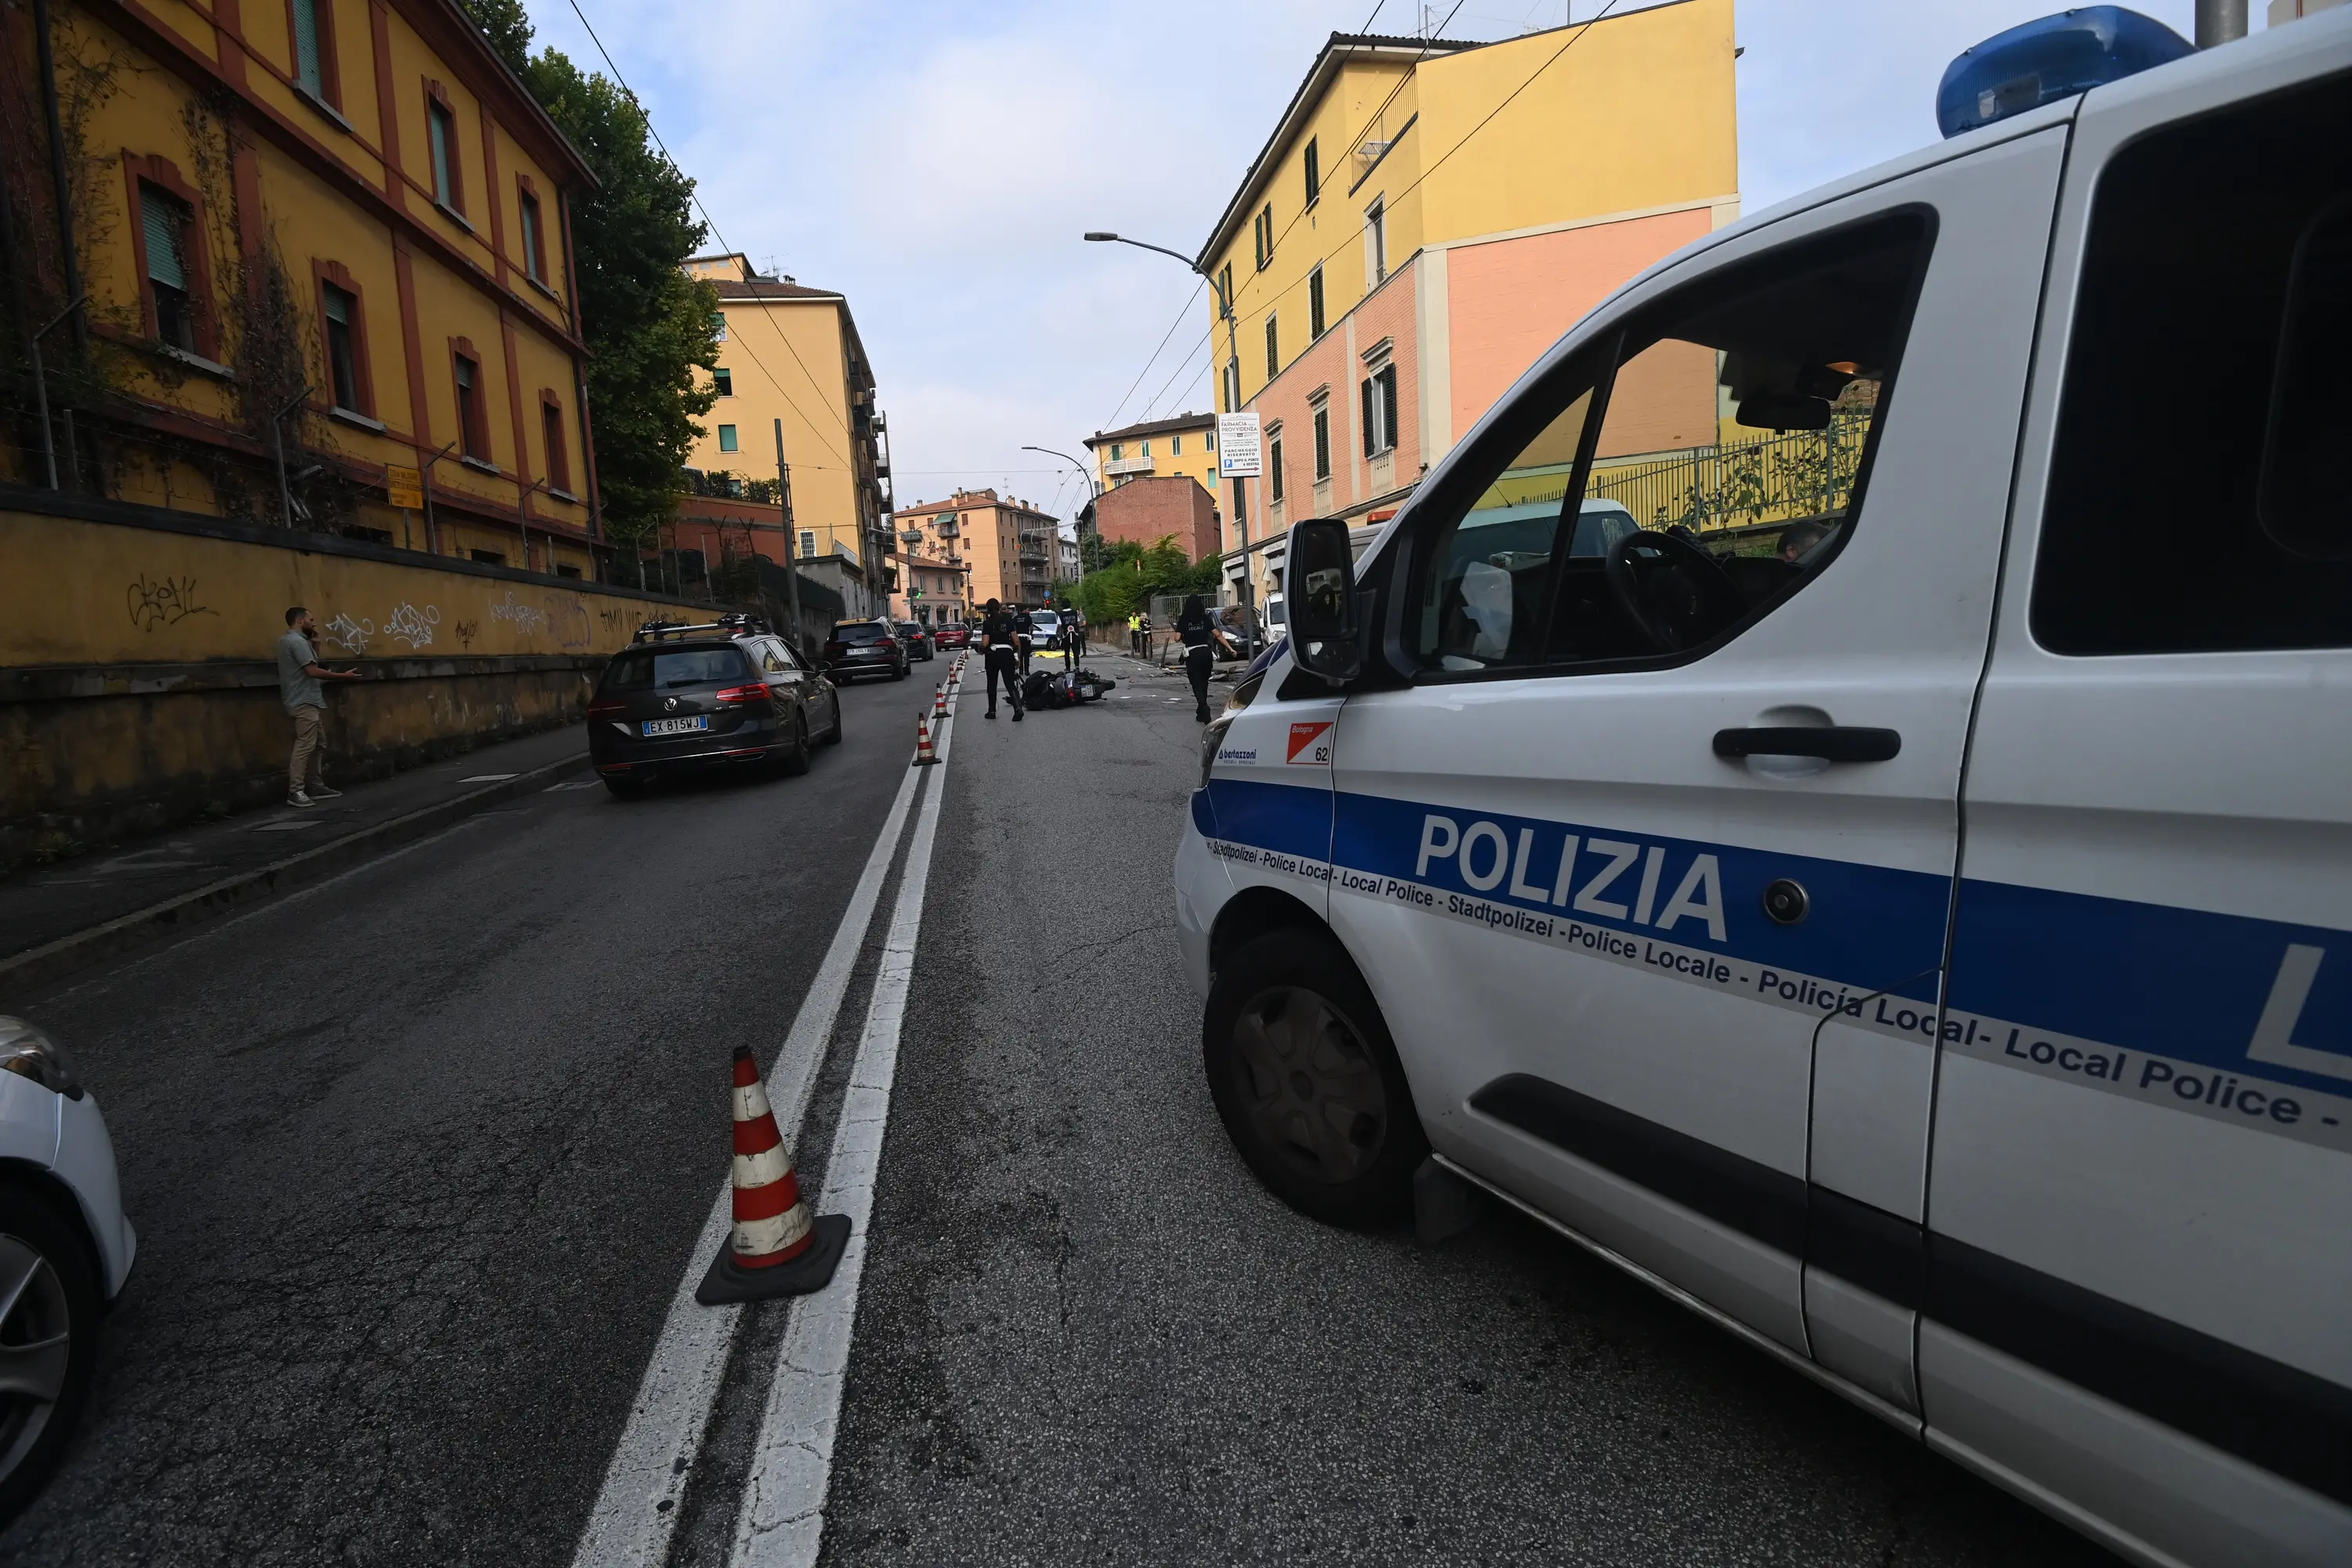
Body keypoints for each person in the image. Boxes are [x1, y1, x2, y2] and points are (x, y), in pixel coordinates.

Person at [278, 606, 363, 806]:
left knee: (318, 744)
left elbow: (311, 665)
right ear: (300, 621)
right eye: (311, 619)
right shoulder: (296, 642)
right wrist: (344, 677)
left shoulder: (293, 642)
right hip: (303, 701)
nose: (314, 623)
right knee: (305, 745)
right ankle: (296, 791)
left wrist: (316, 644)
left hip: (307, 699)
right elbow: (313, 671)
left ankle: (315, 786)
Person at [1174, 594, 1232, 723]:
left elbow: (1177, 638)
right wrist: (1230, 648)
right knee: (1204, 681)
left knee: (1196, 683)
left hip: (1193, 654)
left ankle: (1204, 707)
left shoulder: (1184, 619)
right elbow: (1217, 634)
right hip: (1206, 652)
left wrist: (1185, 634)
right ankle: (1201, 711)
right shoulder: (1204, 618)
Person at [979, 598, 1025, 721]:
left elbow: (985, 643)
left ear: (988, 609)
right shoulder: (1008, 620)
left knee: (992, 683)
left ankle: (992, 711)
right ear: (999, 608)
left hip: (993, 655)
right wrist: (1017, 658)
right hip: (1007, 653)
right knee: (1010, 683)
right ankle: (1018, 709)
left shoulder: (987, 623)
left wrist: (980, 649)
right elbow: (1016, 641)